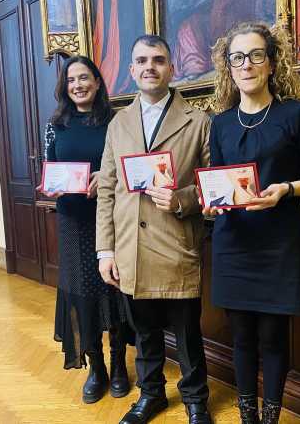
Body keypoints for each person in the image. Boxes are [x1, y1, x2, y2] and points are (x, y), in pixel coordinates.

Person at [205, 23, 300, 424]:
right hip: (233, 242)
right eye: (237, 58)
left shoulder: (293, 114)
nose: (247, 65)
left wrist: (288, 189)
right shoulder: (221, 123)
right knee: (241, 338)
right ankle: (248, 418)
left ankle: (270, 418)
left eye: (256, 55)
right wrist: (212, 204)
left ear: (272, 62)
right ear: (229, 67)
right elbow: (216, 179)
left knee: (273, 338)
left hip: (278, 243)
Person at [95, 35, 212, 424]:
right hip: (129, 249)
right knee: (143, 333)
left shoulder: (198, 122)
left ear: (171, 68)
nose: (150, 66)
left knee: (187, 335)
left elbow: (214, 185)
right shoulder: (118, 124)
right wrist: (105, 251)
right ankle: (151, 395)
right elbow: (108, 190)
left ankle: (196, 401)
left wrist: (182, 199)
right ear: (131, 70)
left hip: (177, 244)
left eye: (158, 59)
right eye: (142, 60)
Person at [40, 55, 133, 404]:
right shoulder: (56, 123)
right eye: (71, 80)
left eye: (84, 78)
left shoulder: (117, 121)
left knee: (115, 291)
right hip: (74, 219)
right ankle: (96, 367)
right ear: (65, 88)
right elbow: (50, 167)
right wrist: (52, 185)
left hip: (112, 217)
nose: (77, 85)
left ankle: (120, 365)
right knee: (82, 295)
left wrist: (105, 177)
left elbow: (129, 167)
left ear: (97, 81)